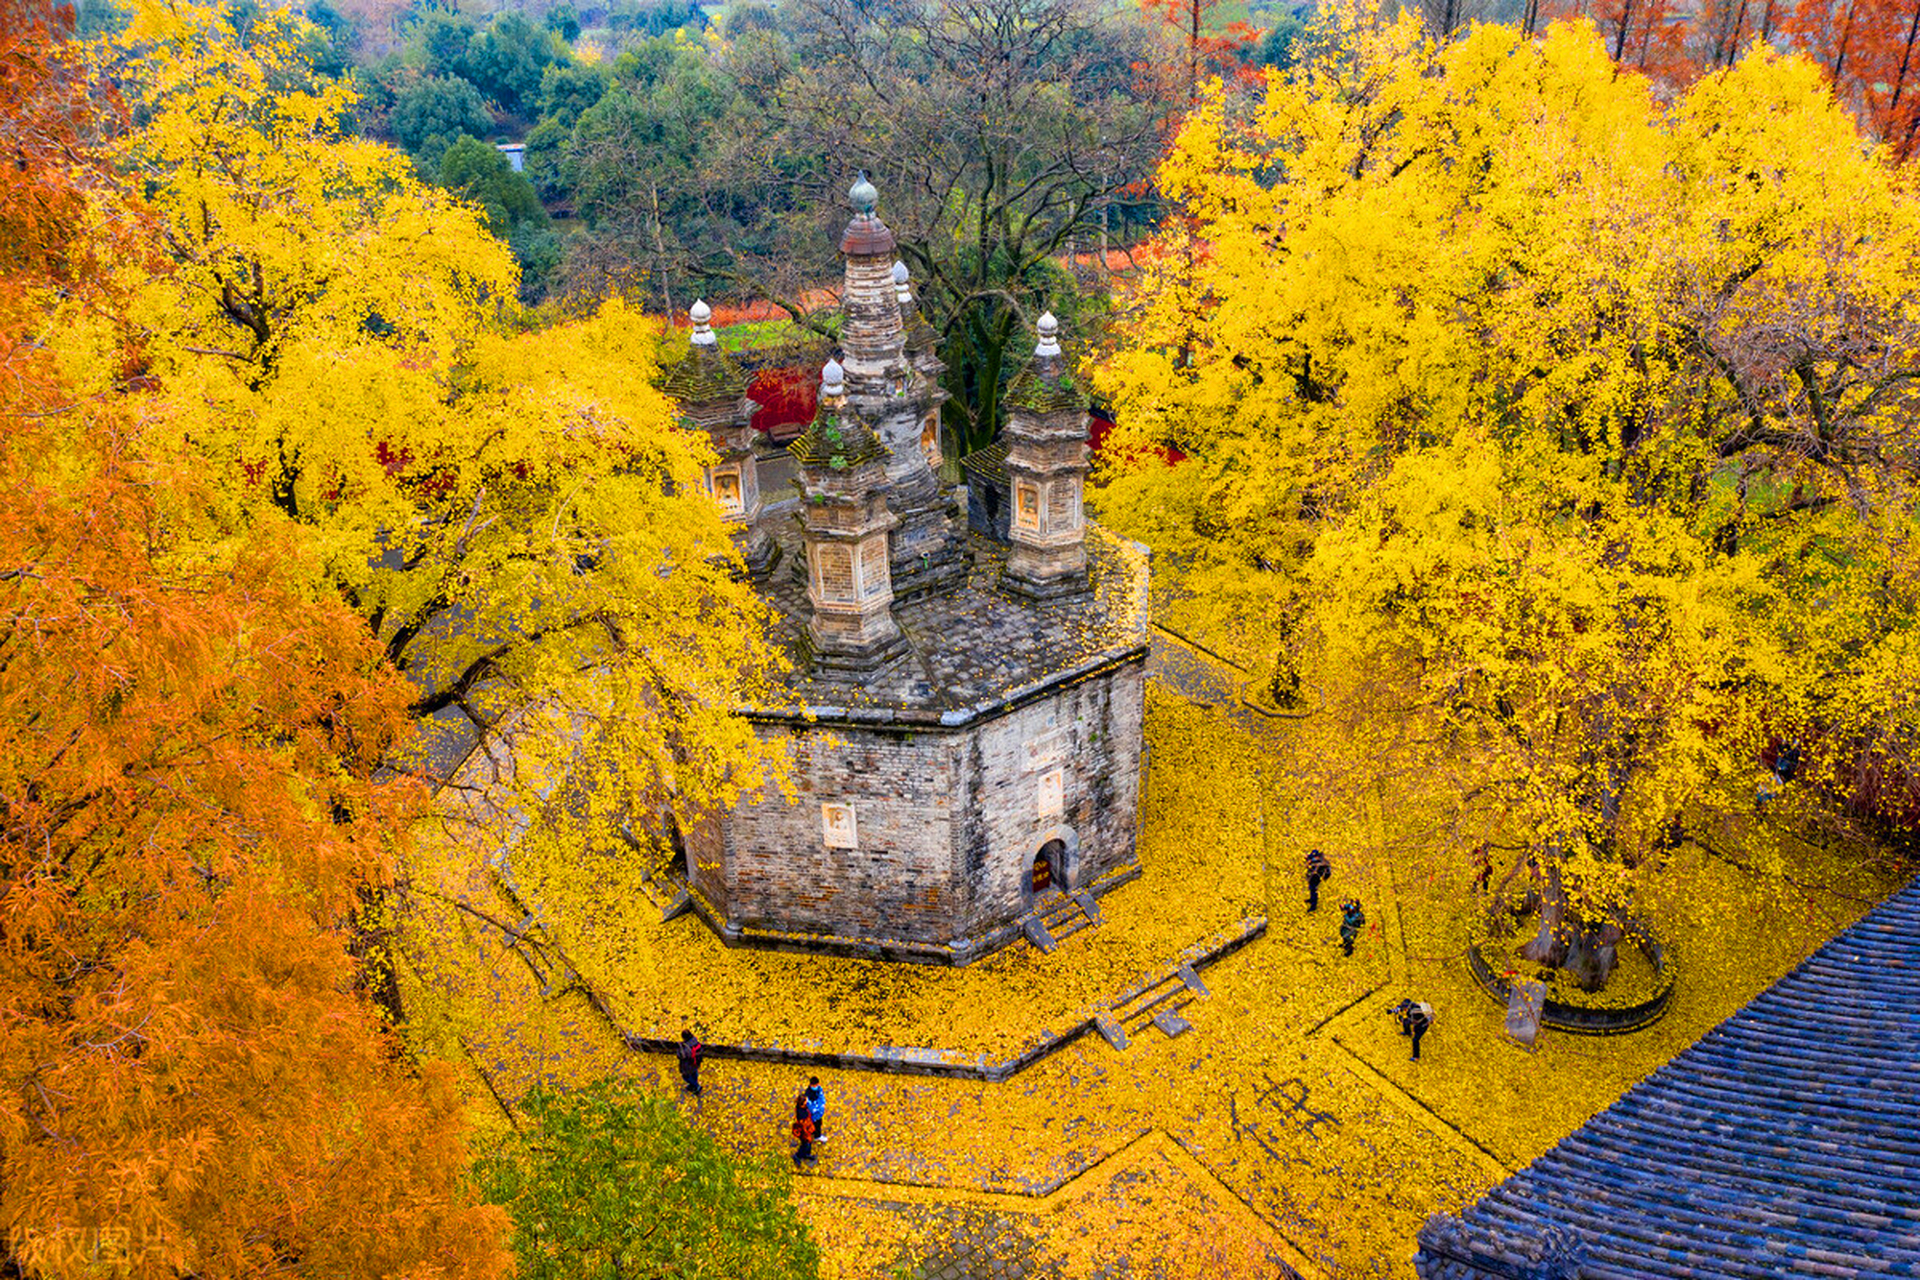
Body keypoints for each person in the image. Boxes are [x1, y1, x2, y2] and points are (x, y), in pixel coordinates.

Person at [791, 1092, 818, 1168]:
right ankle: (798, 1156)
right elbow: (803, 1126)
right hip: (804, 1131)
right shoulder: (801, 1113)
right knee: (805, 1144)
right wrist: (808, 1133)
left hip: (807, 1128)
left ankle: (807, 1154)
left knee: (808, 1145)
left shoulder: (803, 1108)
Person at [676, 1029, 703, 1098]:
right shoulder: (695, 1041)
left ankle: (697, 1086)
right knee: (694, 1073)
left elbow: (681, 1056)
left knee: (686, 1077)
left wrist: (679, 1047)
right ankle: (693, 1084)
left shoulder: (686, 1047)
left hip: (688, 1065)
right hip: (696, 1062)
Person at [803, 1076, 827, 1142]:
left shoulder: (819, 1089)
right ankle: (817, 1136)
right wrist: (819, 1107)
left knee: (819, 1123)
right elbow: (811, 1107)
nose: (816, 1086)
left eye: (817, 1085)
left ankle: (814, 1133)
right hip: (814, 1115)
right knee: (816, 1124)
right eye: (814, 1085)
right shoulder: (808, 1094)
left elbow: (822, 1098)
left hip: (819, 1113)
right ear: (811, 1085)